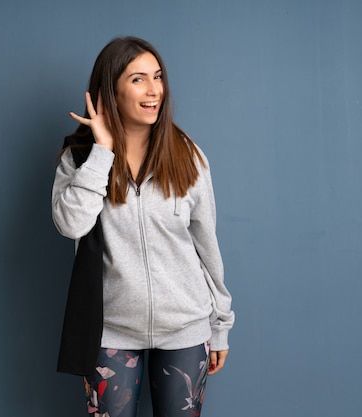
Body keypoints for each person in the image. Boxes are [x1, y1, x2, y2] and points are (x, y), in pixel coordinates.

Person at [52, 36, 234, 417]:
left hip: (185, 329)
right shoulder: (80, 159)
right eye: (138, 79)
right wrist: (102, 152)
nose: (154, 91)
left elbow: (207, 246)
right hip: (110, 332)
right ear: (110, 90)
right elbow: (70, 224)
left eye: (158, 77)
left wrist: (220, 326)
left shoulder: (188, 156)